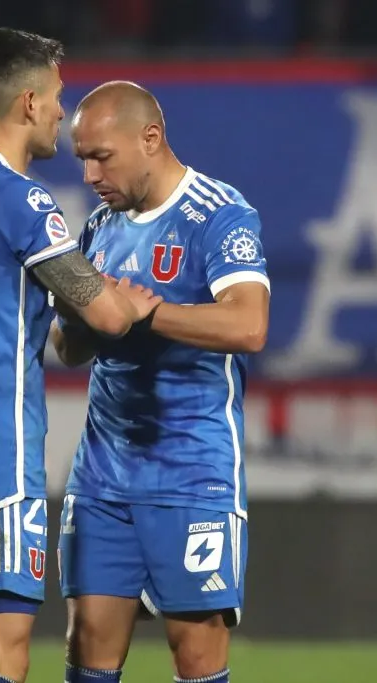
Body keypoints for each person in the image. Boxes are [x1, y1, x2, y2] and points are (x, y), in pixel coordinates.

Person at [0, 33, 162, 683]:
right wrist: (128, 300)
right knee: (0, 652)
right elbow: (106, 315)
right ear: (26, 102)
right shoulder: (18, 197)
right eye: (55, 96)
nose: (59, 112)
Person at [53, 81, 271, 683]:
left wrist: (147, 314)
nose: (91, 175)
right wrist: (78, 306)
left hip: (193, 472)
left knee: (196, 655)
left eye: (102, 157)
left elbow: (249, 326)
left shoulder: (219, 214)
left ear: (150, 138)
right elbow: (69, 350)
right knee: (87, 646)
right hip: (102, 474)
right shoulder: (99, 226)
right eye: (83, 159)